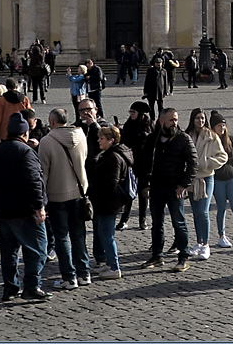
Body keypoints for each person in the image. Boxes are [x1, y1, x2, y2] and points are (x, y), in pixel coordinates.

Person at [0, 112, 49, 302]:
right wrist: (39, 207)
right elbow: (33, 182)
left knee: (9, 252)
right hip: (25, 211)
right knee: (38, 249)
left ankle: (10, 288)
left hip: (4, 211)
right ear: (25, 133)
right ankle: (32, 286)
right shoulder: (26, 152)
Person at [36, 108, 91, 289]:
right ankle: (84, 273)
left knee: (61, 237)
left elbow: (44, 172)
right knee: (78, 235)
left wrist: (40, 199)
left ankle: (69, 277)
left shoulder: (47, 141)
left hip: (56, 194)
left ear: (52, 122)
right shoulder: (81, 136)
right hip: (79, 192)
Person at [137, 106, 196, 272]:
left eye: (176, 119)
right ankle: (157, 255)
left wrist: (183, 184)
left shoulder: (183, 138)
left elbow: (193, 164)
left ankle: (183, 256)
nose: (174, 123)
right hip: (156, 188)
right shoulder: (152, 139)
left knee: (179, 223)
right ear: (161, 121)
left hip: (174, 188)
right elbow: (144, 163)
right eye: (171, 120)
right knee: (157, 224)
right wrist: (145, 184)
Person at [87, 124, 133, 280]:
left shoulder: (113, 157)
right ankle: (109, 264)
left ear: (111, 140)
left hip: (108, 203)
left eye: (101, 138)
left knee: (107, 236)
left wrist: (96, 191)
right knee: (103, 234)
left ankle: (114, 267)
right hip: (106, 202)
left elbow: (110, 183)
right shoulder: (109, 154)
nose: (99, 141)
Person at [184, 108, 227, 260]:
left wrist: (207, 163)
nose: (200, 121)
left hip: (206, 177)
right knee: (196, 213)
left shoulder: (211, 136)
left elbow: (223, 156)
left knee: (203, 211)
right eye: (197, 118)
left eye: (202, 118)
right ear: (192, 119)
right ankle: (199, 241)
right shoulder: (187, 136)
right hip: (191, 179)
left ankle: (206, 244)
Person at [209, 112, 233, 249]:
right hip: (218, 179)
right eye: (219, 125)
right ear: (213, 127)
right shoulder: (210, 142)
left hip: (232, 177)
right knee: (221, 208)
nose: (222, 128)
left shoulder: (231, 140)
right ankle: (221, 235)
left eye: (224, 125)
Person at [117, 103, 153, 230]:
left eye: (133, 112)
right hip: (130, 164)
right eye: (130, 112)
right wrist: (119, 132)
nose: (131, 114)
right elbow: (125, 141)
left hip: (144, 165)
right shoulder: (128, 124)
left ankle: (142, 220)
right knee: (128, 191)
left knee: (143, 193)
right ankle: (124, 219)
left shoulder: (147, 127)